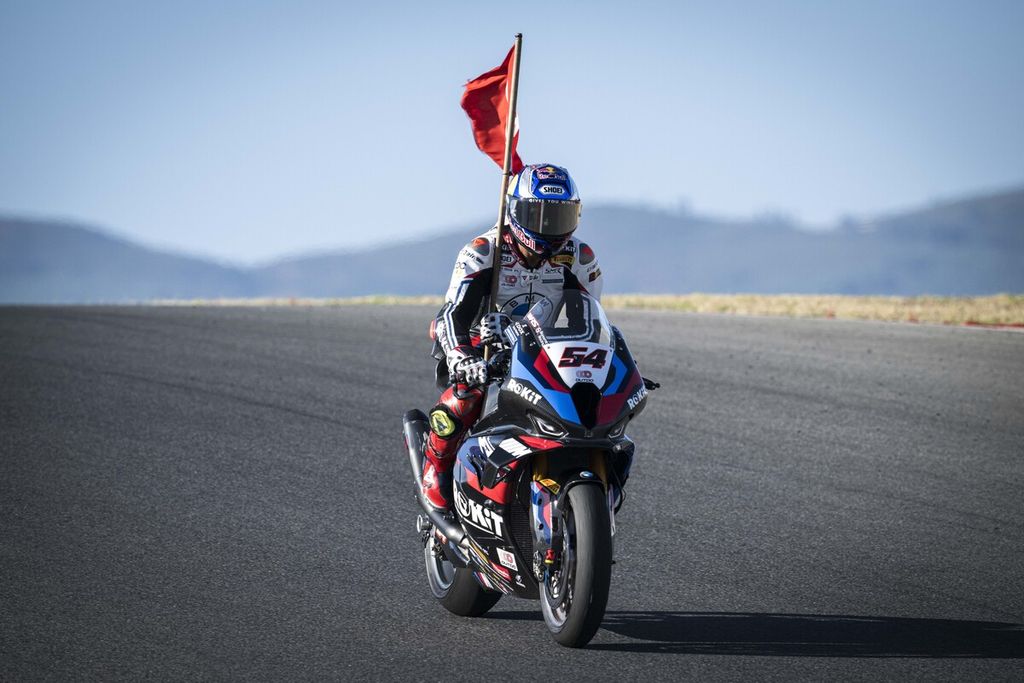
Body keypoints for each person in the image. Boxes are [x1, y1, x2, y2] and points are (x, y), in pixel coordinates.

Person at [422, 163, 604, 511]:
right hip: (481, 347)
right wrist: (464, 358)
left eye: (559, 217)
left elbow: (591, 321)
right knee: (467, 397)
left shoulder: (580, 258)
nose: (548, 228)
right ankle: (437, 470)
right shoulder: (482, 251)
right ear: (515, 210)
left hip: (543, 348)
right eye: (538, 215)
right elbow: (450, 315)